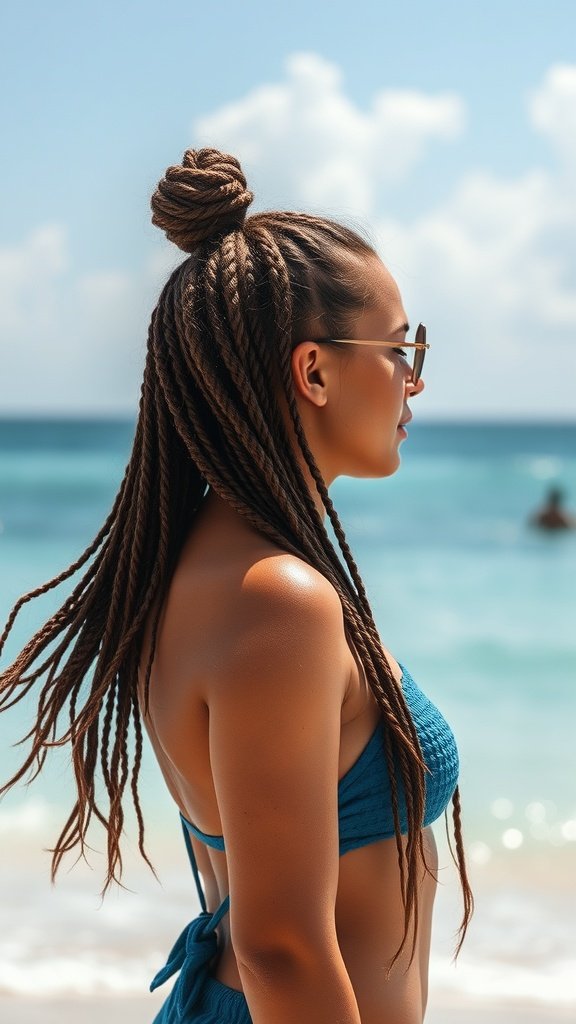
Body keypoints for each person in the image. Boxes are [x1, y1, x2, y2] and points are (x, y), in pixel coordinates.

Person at [0, 148, 473, 1024]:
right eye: (401, 347)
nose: (415, 378)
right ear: (315, 372)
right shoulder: (277, 599)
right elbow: (280, 945)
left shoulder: (211, 561)